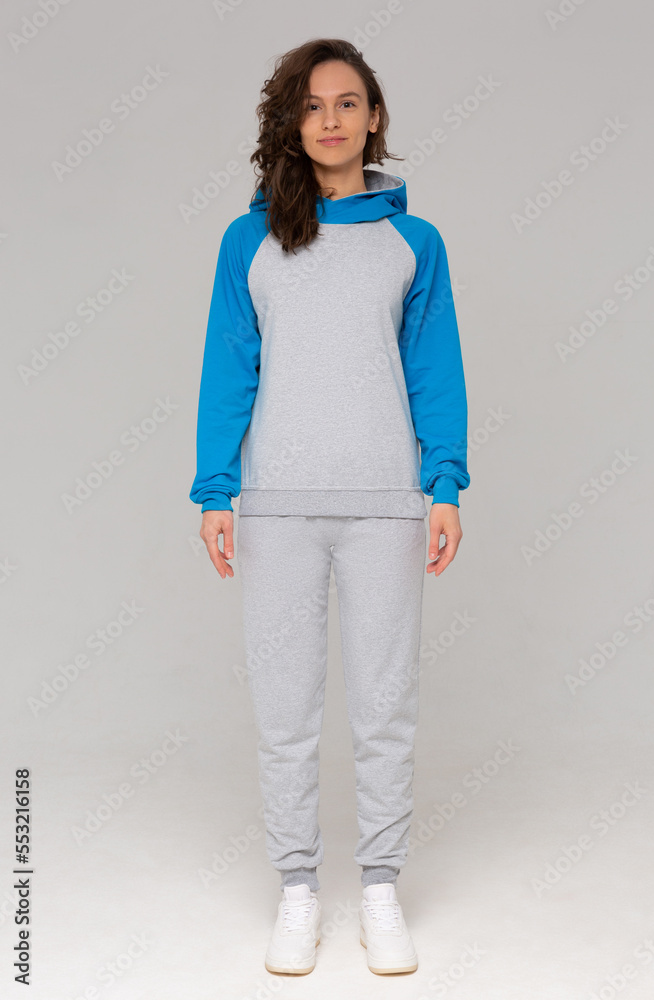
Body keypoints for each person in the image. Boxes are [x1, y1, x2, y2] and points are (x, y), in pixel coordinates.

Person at [189, 37, 470, 976]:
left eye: (347, 103)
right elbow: (229, 366)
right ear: (291, 123)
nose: (331, 120)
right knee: (286, 712)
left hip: (387, 506)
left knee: (385, 708)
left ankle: (380, 888)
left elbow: (433, 369)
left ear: (374, 116)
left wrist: (444, 483)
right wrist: (216, 489)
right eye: (311, 106)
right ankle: (298, 890)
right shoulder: (249, 240)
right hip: (275, 509)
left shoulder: (413, 243)